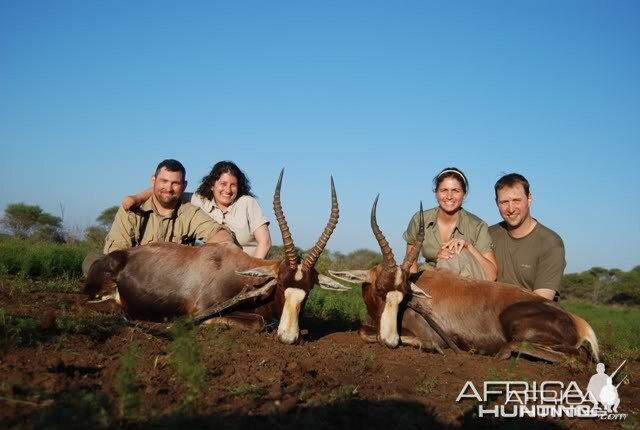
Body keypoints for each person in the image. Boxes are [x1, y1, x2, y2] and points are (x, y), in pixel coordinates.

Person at [82, 159, 233, 276]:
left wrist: (194, 258)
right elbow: (115, 254)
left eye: (175, 183)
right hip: (133, 274)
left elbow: (222, 236)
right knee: (93, 262)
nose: (168, 188)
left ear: (184, 186)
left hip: (173, 278)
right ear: (153, 181)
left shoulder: (190, 212)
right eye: (164, 181)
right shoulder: (131, 210)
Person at [123, 161, 271, 258]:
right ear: (212, 185)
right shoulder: (200, 200)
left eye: (233, 185)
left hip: (249, 268)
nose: (228, 190)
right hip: (219, 271)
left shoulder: (247, 203)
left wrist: (252, 274)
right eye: (223, 183)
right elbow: (169, 190)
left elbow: (265, 242)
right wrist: (137, 198)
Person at [403, 167, 497, 281]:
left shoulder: (477, 225)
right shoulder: (419, 219)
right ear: (436, 193)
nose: (449, 196)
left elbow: (491, 275)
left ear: (464, 194)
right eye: (444, 190)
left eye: (455, 191)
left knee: (455, 255)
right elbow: (410, 262)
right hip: (429, 281)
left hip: (467, 285)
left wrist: (468, 246)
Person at [489, 173, 565, 301]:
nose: (511, 208)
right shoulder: (487, 235)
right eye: (504, 202)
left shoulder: (551, 243)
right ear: (497, 203)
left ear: (529, 199)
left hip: (532, 316)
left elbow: (541, 302)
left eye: (517, 200)